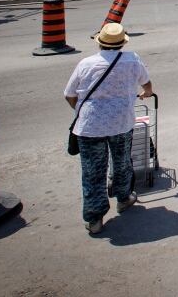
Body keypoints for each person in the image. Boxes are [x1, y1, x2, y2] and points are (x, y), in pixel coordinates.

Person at [64, 23, 153, 235]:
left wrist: (81, 110)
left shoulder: (86, 63)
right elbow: (147, 86)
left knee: (93, 171)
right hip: (121, 122)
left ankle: (95, 219)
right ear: (122, 43)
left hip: (90, 126)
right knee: (122, 163)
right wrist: (145, 94)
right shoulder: (132, 60)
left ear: (100, 43)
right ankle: (123, 199)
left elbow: (69, 94)